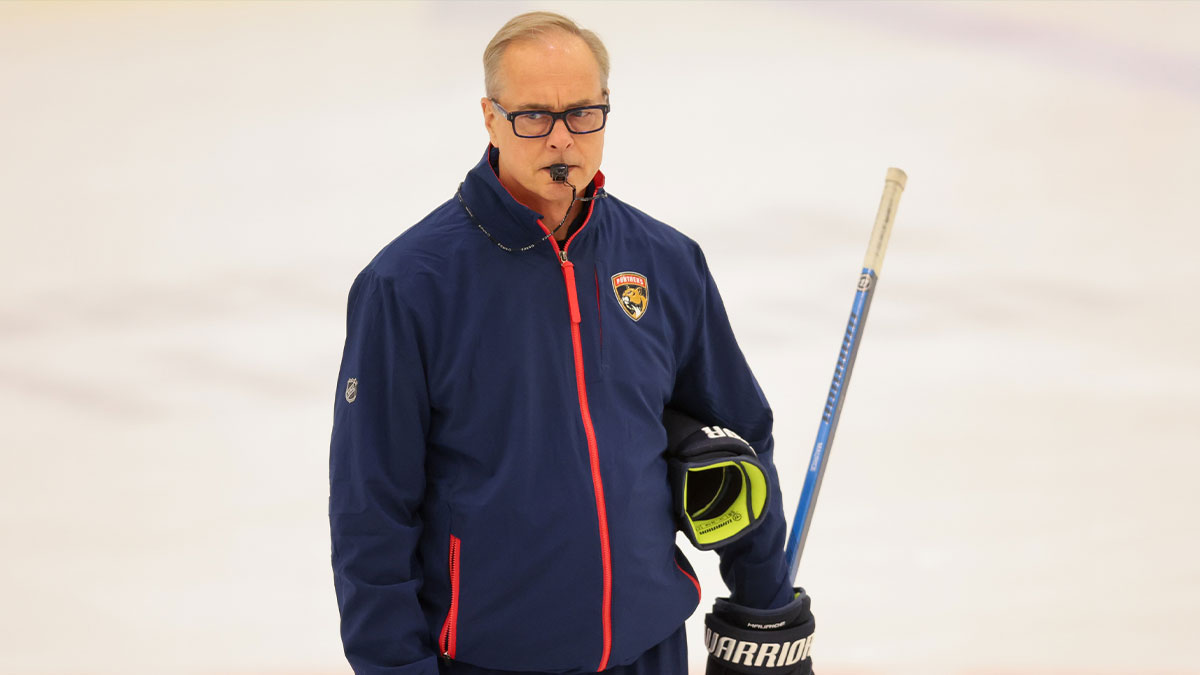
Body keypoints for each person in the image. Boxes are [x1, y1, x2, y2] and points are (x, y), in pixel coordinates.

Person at [329, 11, 814, 675]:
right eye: (534, 116)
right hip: (491, 662)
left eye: (583, 113)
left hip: (648, 651)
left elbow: (738, 439)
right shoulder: (410, 284)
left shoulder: (665, 261)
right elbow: (372, 510)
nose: (562, 139)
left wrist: (764, 606)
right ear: (490, 117)